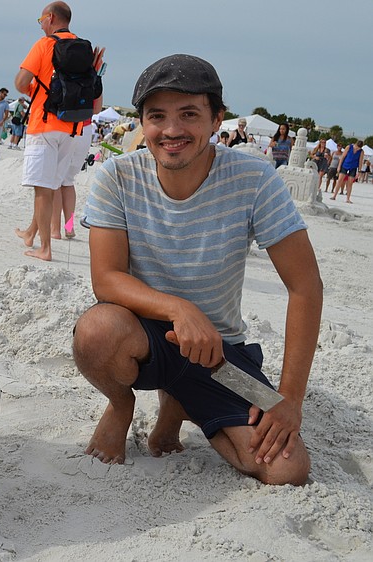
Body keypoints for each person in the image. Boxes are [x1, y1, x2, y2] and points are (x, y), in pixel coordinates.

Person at [73, 54, 322, 486]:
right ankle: (120, 404)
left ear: (216, 120)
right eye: (157, 117)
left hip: (220, 353)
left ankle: (181, 404)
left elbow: (305, 287)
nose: (172, 131)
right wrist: (178, 309)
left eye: (189, 114)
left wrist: (290, 400)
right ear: (143, 123)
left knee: (286, 468)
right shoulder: (116, 176)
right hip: (142, 337)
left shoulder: (255, 180)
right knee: (96, 330)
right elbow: (106, 278)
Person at [14, 2, 103, 261]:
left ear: (51, 18)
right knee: (59, 184)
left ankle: (45, 248)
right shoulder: (84, 49)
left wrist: (34, 90)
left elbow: (20, 82)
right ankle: (52, 229)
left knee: (42, 188)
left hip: (44, 123)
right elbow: (96, 99)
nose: (40, 24)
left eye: (41, 19)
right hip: (74, 127)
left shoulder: (44, 45)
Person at [332, 139, 364, 204]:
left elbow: (360, 161)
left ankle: (348, 198)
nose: (357, 149)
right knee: (340, 180)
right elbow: (343, 157)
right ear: (355, 144)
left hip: (353, 167)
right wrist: (339, 166)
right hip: (345, 165)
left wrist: (359, 171)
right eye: (357, 147)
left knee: (350, 183)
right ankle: (334, 195)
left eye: (359, 148)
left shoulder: (361, 151)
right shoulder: (349, 147)